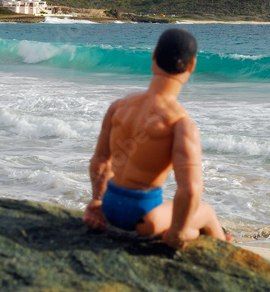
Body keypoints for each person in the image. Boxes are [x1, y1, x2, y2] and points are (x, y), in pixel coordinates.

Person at [83, 28, 229, 249]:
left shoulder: (119, 107)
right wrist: (178, 232)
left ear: (153, 55)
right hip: (146, 219)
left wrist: (100, 202)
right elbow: (190, 189)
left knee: (189, 221)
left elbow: (101, 162)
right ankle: (223, 256)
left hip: (111, 207)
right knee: (207, 212)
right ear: (192, 66)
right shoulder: (180, 123)